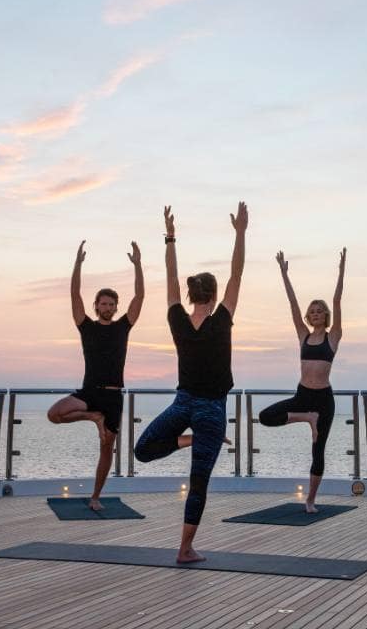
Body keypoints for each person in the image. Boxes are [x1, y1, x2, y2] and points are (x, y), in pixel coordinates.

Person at [134, 202, 247, 563]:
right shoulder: (222, 319)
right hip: (210, 409)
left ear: (190, 296)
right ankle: (184, 549)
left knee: (143, 450)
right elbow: (237, 274)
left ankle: (186, 546)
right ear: (213, 297)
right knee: (198, 482)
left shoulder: (177, 319)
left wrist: (169, 237)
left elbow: (169, 278)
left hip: (183, 403)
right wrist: (240, 232)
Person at [47, 240, 144, 511]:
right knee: (54, 414)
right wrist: (77, 265)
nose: (108, 307)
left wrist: (138, 266)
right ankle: (93, 417)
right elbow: (74, 296)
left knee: (106, 449)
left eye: (112, 303)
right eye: (103, 303)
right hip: (89, 392)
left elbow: (140, 298)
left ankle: (95, 497)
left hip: (113, 396)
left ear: (115, 307)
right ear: (96, 306)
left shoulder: (123, 327)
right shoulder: (86, 326)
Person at [259, 248, 345, 513]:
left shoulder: (333, 337)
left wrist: (341, 271)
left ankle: (310, 500)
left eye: (320, 311)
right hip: (303, 397)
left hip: (323, 401)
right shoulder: (303, 336)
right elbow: (292, 304)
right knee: (265, 416)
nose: (316, 313)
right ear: (308, 317)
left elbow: (338, 300)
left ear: (326, 316)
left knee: (317, 452)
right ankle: (306, 417)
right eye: (313, 311)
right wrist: (284, 274)